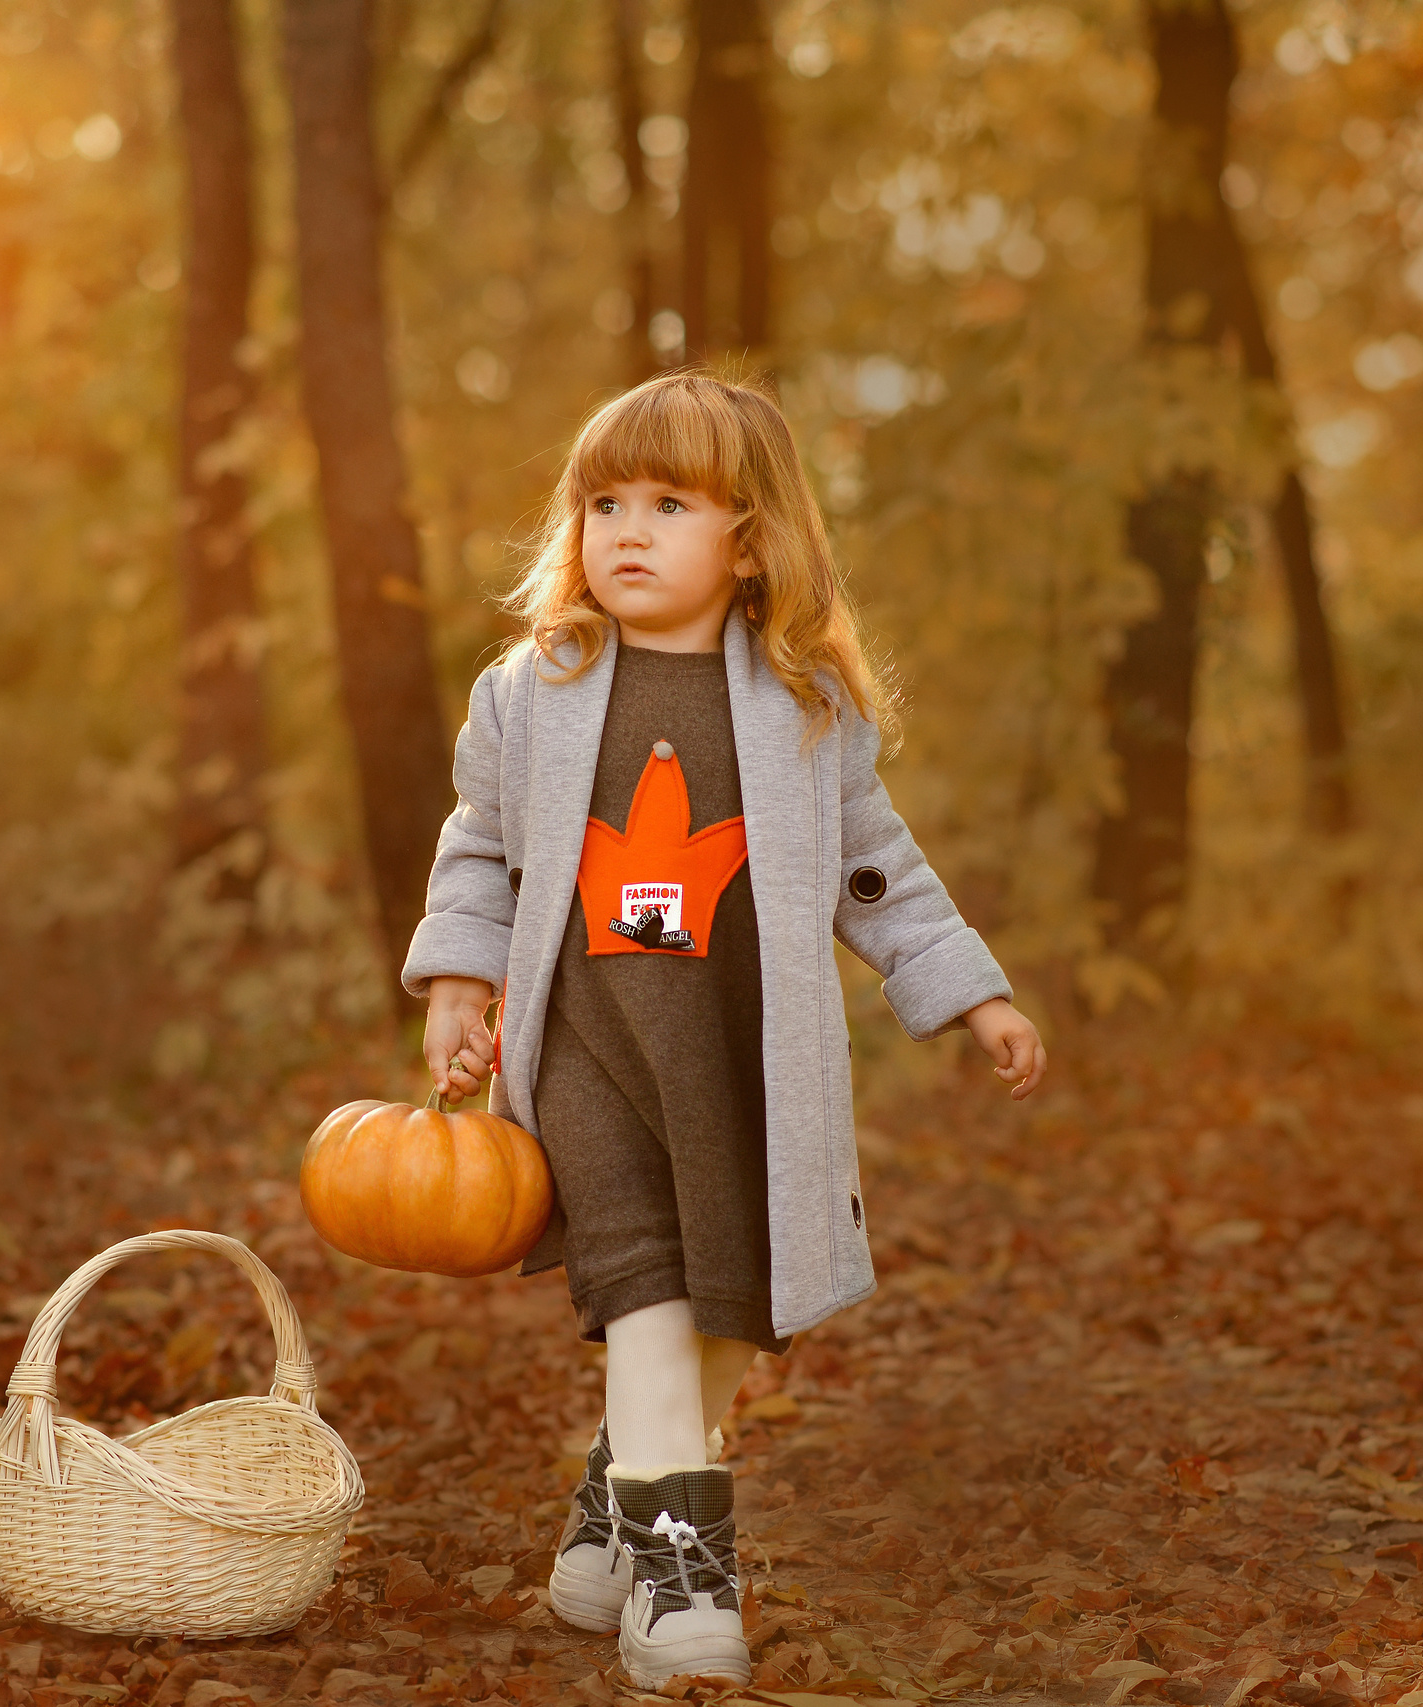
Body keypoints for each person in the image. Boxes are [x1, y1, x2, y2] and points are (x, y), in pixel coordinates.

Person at [403, 370, 1046, 1691]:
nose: (626, 529)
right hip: (590, 1047)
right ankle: (683, 1573)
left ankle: (615, 1507)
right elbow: (479, 850)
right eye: (604, 502)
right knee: (640, 1289)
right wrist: (461, 983)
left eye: (671, 503)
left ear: (748, 539)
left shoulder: (804, 708)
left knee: (738, 1313)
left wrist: (970, 990)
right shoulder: (534, 689)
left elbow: (879, 871)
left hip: (747, 1056)